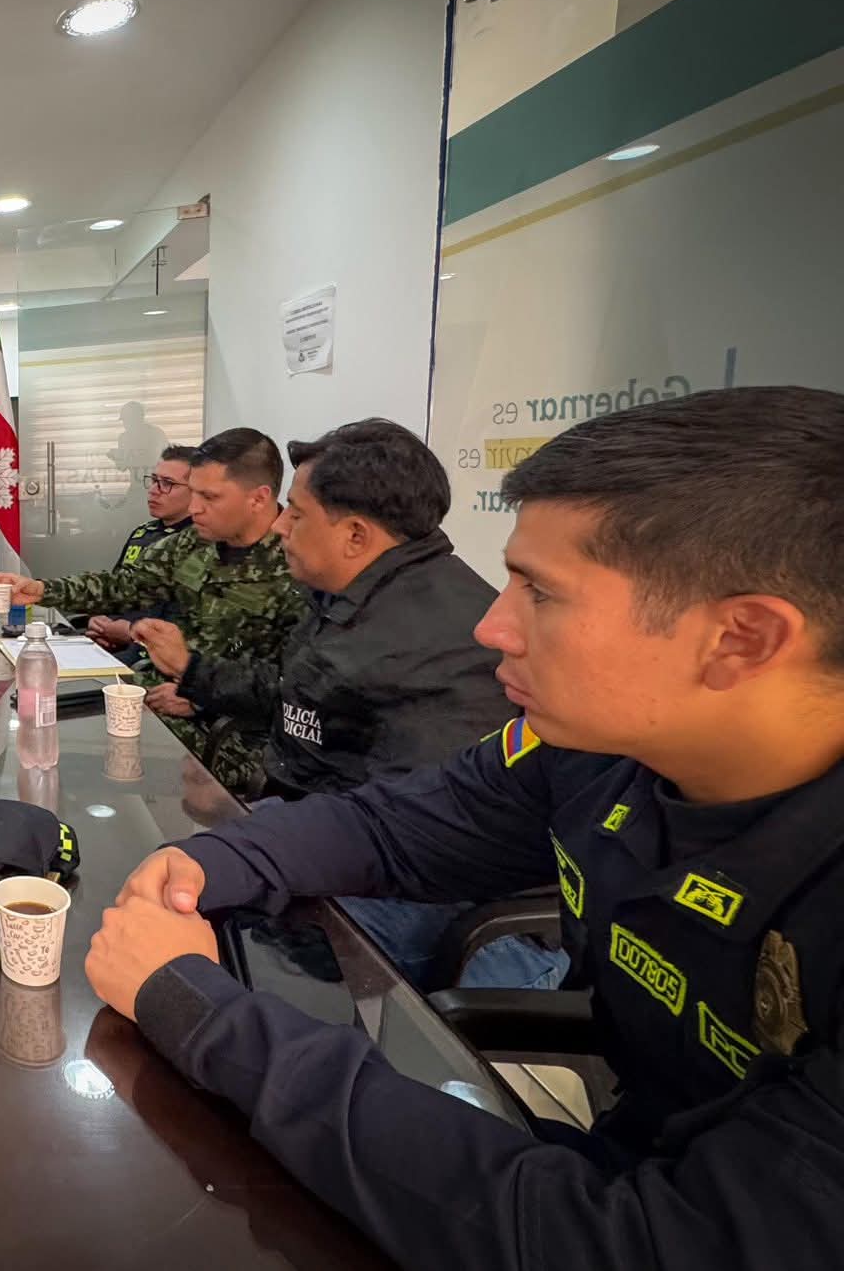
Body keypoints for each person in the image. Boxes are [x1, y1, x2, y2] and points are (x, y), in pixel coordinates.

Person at [85, 387, 844, 1270]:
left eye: (542, 595)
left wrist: (200, 1013)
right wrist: (208, 859)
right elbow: (395, 824)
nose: (492, 625)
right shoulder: (601, 751)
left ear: (742, 638)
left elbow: (637, 1241)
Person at [132, 419, 556, 989]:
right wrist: (197, 675)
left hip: (422, 894)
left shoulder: (436, 643)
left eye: (298, 514)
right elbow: (300, 698)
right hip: (331, 834)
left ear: (355, 535)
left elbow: (408, 832)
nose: (280, 527)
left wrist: (267, 838)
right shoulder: (350, 596)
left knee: (200, 949)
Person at [0, 428, 307, 793]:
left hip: (234, 732)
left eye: (209, 496)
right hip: (159, 697)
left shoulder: (298, 565)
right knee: (51, 733)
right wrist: (41, 590)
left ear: (258, 498)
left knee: (92, 773)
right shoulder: (191, 544)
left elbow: (297, 687)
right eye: (194, 493)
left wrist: (201, 696)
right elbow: (123, 585)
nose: (194, 507)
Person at [85, 444, 198, 652]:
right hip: (112, 643)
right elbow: (116, 590)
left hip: (153, 654)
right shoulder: (142, 533)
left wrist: (129, 632)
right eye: (154, 480)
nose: (154, 491)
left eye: (167, 484)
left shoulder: (200, 541)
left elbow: (185, 624)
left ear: (196, 490)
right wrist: (100, 622)